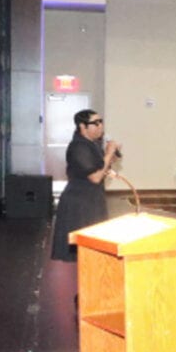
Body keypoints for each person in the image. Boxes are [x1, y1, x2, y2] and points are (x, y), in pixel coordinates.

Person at [52, 110, 121, 262]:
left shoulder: (91, 144)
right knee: (82, 252)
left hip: (92, 200)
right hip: (80, 203)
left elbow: (100, 168)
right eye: (95, 123)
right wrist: (108, 154)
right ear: (82, 126)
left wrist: (111, 158)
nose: (100, 126)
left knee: (93, 251)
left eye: (101, 122)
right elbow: (95, 177)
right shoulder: (78, 146)